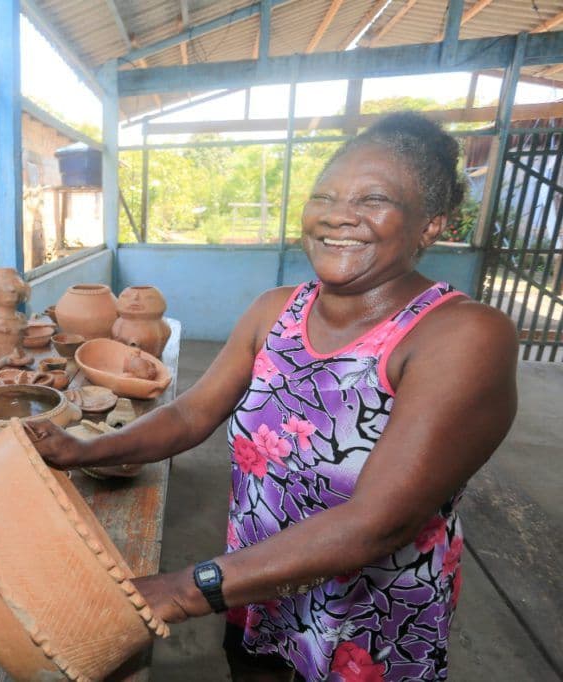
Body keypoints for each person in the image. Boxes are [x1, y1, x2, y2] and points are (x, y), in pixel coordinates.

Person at [25, 112, 518, 682]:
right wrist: (79, 448)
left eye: (373, 199)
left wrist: (180, 592)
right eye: (324, 196)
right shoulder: (275, 310)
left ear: (431, 225)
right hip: (257, 584)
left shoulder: (461, 336)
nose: (338, 215)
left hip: (364, 616)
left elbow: (373, 525)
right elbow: (189, 415)